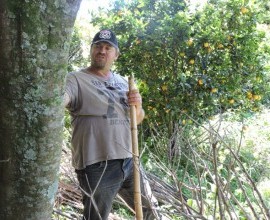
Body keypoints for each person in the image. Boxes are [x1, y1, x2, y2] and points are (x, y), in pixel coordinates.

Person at [64, 29, 157, 220]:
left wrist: (137, 106)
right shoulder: (75, 79)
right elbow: (60, 99)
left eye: (108, 47)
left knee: (150, 211)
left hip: (130, 160)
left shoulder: (124, 82)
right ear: (91, 50)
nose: (102, 51)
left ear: (116, 54)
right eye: (98, 46)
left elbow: (136, 120)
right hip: (97, 164)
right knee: (96, 218)